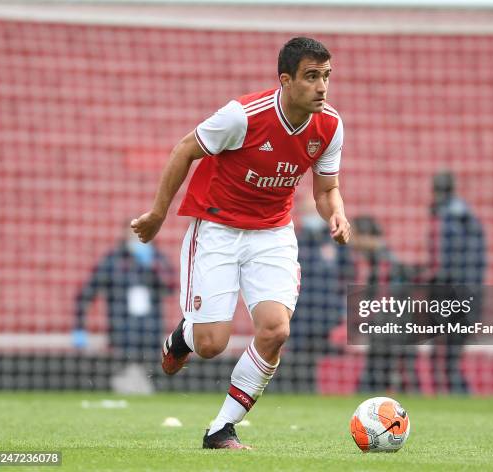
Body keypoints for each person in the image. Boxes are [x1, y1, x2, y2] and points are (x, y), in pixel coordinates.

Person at [131, 37, 350, 449]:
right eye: (311, 77)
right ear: (285, 80)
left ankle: (221, 429)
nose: (321, 87)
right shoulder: (242, 116)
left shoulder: (330, 126)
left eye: (326, 77)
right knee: (212, 344)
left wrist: (336, 213)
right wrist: (158, 214)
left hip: (272, 234)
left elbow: (325, 191)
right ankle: (183, 338)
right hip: (217, 229)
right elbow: (184, 149)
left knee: (275, 330)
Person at [417, 170, 487, 394]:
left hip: (454, 291)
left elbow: (450, 258)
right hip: (467, 291)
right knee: (448, 354)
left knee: (446, 353)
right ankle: (453, 395)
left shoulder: (452, 218)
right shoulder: (465, 215)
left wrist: (435, 279)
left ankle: (456, 395)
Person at [74, 223, 175, 360]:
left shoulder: (156, 258)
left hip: (151, 338)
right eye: (134, 233)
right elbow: (86, 294)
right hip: (120, 339)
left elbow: (170, 287)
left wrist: (152, 266)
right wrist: (79, 329)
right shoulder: (112, 261)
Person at [352, 215, 420, 393]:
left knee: (380, 373)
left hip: (390, 328)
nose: (352, 242)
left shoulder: (384, 261)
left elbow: (385, 297)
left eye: (355, 235)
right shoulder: (381, 258)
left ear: (366, 236)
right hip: (394, 325)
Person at [289, 194, 353, 355]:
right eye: (307, 212)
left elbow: (349, 273)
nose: (311, 216)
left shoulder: (336, 240)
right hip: (300, 316)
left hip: (328, 314)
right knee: (300, 359)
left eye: (314, 211)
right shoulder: (294, 242)